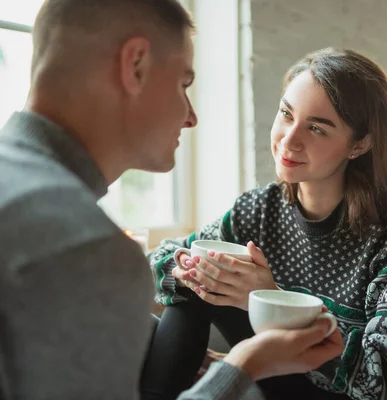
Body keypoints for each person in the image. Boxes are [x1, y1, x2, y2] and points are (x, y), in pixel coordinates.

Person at [0, 0, 343, 399]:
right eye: (183, 84)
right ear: (136, 66)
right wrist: (245, 366)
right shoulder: (84, 247)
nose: (191, 116)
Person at [144, 48, 387, 400]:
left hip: (347, 394)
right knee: (200, 275)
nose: (289, 140)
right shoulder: (259, 210)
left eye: (317, 128)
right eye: (286, 114)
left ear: (360, 144)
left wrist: (273, 301)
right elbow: (159, 260)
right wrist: (186, 271)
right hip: (279, 383)